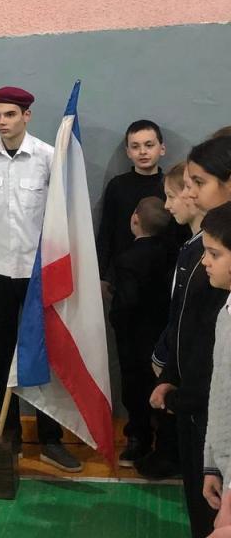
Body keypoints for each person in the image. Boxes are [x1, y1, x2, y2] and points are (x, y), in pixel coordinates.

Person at [0, 85, 81, 473]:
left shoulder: (48, 157)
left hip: (37, 274)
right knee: (0, 356)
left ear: (26, 116)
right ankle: (10, 436)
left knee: (43, 355)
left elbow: (59, 217)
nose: (2, 121)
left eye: (10, 114)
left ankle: (50, 439)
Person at [151, 136, 231, 538]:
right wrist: (172, 377)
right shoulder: (198, 250)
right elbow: (185, 324)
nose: (190, 194)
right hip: (203, 413)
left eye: (198, 182)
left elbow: (216, 358)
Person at [139, 161, 203, 480]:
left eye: (172, 195)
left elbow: (193, 318)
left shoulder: (203, 252)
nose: (166, 205)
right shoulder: (189, 248)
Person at [109, 196, 174, 468]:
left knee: (135, 390)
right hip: (163, 336)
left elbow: (127, 303)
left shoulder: (127, 259)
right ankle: (166, 444)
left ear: (134, 218)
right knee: (160, 387)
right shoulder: (172, 253)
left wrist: (115, 316)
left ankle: (139, 439)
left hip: (133, 338)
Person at [96, 120, 167, 288]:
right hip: (122, 276)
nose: (143, 152)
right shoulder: (117, 186)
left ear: (162, 148)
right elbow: (106, 232)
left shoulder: (169, 187)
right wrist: (100, 274)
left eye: (149, 145)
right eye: (135, 147)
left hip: (163, 275)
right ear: (128, 152)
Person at [201, 203, 231, 538]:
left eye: (214, 254)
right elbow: (220, 397)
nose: (204, 262)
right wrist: (213, 463)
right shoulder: (226, 311)